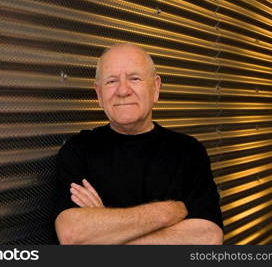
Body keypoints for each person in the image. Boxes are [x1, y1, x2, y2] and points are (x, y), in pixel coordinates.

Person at [52, 43, 223, 244]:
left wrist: (105, 233)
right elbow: (73, 235)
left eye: (134, 78)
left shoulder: (188, 152)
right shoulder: (79, 151)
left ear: (156, 87)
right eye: (111, 81)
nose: (123, 90)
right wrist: (166, 212)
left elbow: (208, 238)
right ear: (98, 94)